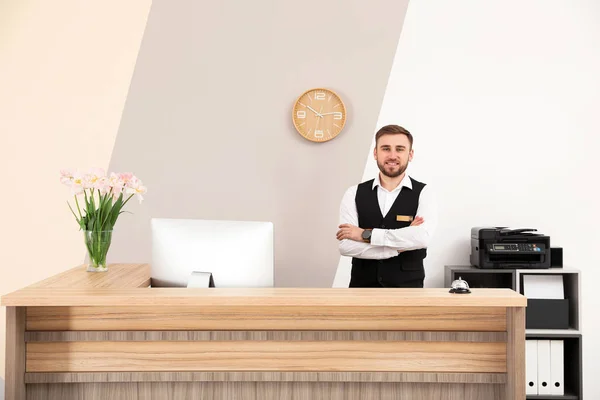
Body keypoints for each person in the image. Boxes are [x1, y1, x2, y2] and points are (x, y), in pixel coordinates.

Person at [336, 124, 437, 288]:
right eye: (385, 148)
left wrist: (365, 235)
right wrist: (397, 249)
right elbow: (346, 246)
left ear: (410, 154)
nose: (392, 155)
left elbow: (421, 238)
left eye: (399, 149)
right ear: (375, 153)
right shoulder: (353, 193)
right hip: (362, 291)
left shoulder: (424, 193)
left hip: (408, 292)